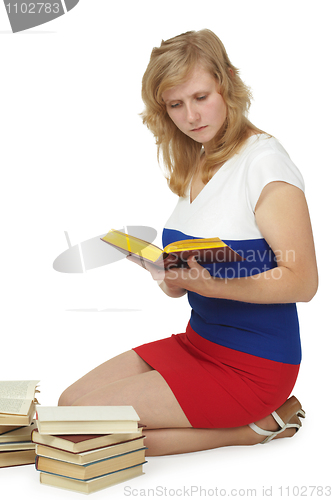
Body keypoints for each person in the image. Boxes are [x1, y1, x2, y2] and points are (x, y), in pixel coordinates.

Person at [58, 29, 318, 456]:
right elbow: (190, 279)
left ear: (227, 83)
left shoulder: (265, 162)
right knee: (69, 406)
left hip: (254, 365)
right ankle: (241, 424)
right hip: (199, 343)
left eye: (200, 97)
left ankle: (252, 429)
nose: (191, 116)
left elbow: (304, 282)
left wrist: (214, 286)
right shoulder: (198, 160)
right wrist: (170, 277)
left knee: (78, 431)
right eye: (175, 105)